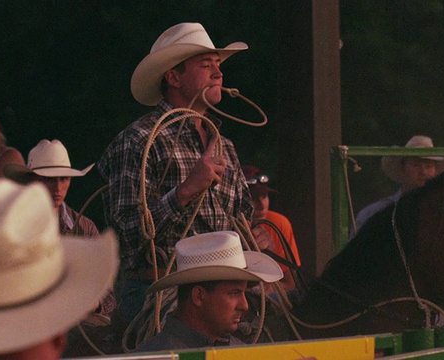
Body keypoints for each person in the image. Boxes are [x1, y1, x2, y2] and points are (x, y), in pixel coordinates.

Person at [96, 22, 272, 326]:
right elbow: (125, 234)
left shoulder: (225, 146)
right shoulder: (138, 140)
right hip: (157, 292)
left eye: (218, 65)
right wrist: (186, 191)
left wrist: (255, 237)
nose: (218, 73)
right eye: (206, 65)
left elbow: (241, 216)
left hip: (220, 295)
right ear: (173, 77)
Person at [0, 178, 119, 360]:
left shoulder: (84, 226)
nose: (57, 187)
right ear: (58, 339)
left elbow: (108, 298)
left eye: (63, 179)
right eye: (49, 180)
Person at [136, 231, 283, 351]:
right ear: (199, 296)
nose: (244, 305)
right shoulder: (155, 356)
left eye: (243, 292)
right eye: (234, 293)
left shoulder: (243, 353)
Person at [352, 135, 444, 237]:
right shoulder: (374, 213)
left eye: (428, 166)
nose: (423, 172)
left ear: (435, 171)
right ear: (403, 168)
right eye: (416, 165)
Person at [242, 165, 301, 291]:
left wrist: (262, 289)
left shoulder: (278, 223)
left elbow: (291, 283)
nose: (262, 205)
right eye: (253, 198)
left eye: (264, 196)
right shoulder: (227, 226)